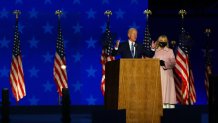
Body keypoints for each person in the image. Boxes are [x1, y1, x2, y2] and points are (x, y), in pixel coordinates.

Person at [153, 35, 176, 109]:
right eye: (161, 41)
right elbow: (151, 61)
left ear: (166, 42)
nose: (162, 42)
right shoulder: (156, 51)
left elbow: (173, 62)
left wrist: (164, 63)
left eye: (164, 41)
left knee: (167, 93)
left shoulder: (170, 51)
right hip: (157, 74)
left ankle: (168, 107)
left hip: (167, 75)